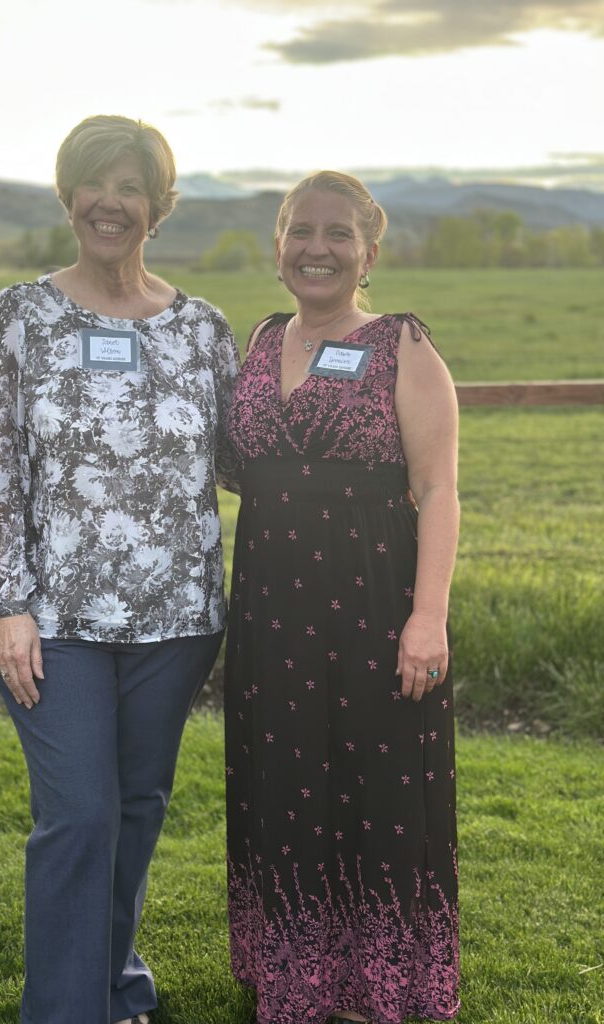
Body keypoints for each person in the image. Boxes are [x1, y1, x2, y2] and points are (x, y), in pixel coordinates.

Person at [0, 114, 239, 1024]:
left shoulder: (203, 329)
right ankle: (66, 1011)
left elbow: (246, 461)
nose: (109, 202)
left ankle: (116, 987)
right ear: (67, 195)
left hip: (178, 616)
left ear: (158, 206)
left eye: (129, 187)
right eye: (94, 183)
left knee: (134, 810)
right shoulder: (18, 316)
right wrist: (8, 601)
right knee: (78, 816)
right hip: (55, 620)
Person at [223, 171, 460, 1024]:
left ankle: (377, 988)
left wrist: (426, 618)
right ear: (278, 243)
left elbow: (437, 490)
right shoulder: (259, 340)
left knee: (376, 791)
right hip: (268, 609)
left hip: (372, 603)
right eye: (301, 231)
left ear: (368, 254)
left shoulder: (403, 345)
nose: (316, 249)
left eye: (337, 234)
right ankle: (296, 978)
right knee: (284, 786)